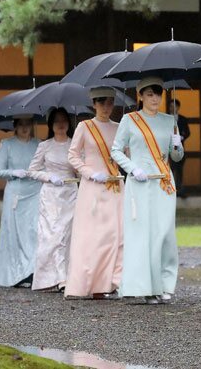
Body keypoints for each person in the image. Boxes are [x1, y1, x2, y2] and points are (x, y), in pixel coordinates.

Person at [111, 77, 184, 304]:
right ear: (140, 96)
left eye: (158, 94)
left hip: (164, 182)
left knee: (165, 233)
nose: (155, 99)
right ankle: (146, 287)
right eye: (150, 94)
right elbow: (116, 150)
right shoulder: (129, 119)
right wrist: (133, 169)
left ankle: (165, 284)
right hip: (140, 184)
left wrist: (177, 145)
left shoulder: (169, 120)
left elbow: (176, 157)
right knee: (142, 234)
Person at [66, 88, 124, 299]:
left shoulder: (119, 127)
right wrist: (90, 173)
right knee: (92, 235)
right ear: (94, 104)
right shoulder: (85, 126)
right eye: (102, 103)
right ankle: (89, 283)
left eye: (109, 102)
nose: (106, 107)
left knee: (116, 234)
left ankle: (111, 282)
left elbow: (127, 153)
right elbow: (72, 156)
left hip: (115, 186)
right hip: (92, 187)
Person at [27, 108, 78, 292]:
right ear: (51, 125)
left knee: (67, 235)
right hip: (50, 195)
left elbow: (80, 168)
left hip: (70, 193)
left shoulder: (74, 145)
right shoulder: (45, 146)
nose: (61, 124)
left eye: (64, 120)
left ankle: (66, 277)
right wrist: (49, 177)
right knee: (52, 235)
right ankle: (51, 278)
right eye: (56, 121)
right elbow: (32, 171)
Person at [0, 116, 41, 288]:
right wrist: (14, 172)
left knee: (33, 232)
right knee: (14, 233)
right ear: (15, 126)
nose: (25, 128)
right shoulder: (7, 144)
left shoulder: (38, 144)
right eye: (21, 124)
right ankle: (15, 273)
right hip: (15, 193)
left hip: (35, 192)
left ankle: (32, 271)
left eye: (28, 124)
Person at [167, 99, 190, 197]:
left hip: (179, 147)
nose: (173, 108)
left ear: (178, 107)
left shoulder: (183, 119)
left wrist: (182, 137)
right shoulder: (165, 118)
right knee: (170, 169)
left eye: (175, 106)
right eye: (171, 106)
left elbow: (188, 132)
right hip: (168, 147)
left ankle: (180, 190)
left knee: (179, 170)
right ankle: (170, 189)